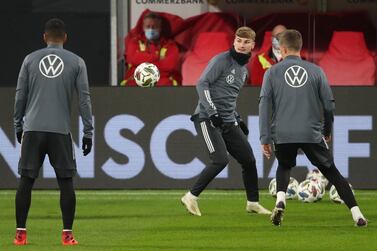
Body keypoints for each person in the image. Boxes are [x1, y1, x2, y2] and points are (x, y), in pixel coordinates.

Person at [258, 29, 367, 227]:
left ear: (281, 49)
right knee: (332, 173)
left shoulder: (271, 73)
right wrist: (326, 131)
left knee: (284, 165)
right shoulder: (316, 71)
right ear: (300, 48)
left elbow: (264, 105)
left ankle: (280, 200)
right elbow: (329, 106)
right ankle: (357, 214)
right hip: (311, 132)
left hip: (283, 132)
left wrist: (265, 137)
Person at [13, 18, 94, 245]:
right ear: (65, 38)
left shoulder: (30, 59)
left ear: (44, 37)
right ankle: (67, 235)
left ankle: (21, 234)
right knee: (65, 181)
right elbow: (84, 99)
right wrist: (88, 132)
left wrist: (18, 125)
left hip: (33, 129)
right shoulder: (77, 62)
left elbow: (20, 95)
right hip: (60, 131)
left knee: (26, 180)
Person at [181, 26, 271, 216]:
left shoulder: (244, 70)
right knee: (220, 159)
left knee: (249, 160)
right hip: (207, 118)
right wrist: (212, 113)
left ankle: (253, 203)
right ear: (234, 41)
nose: (241, 44)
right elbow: (202, 83)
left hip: (229, 121)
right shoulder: (221, 60)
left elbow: (228, 97)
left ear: (253, 45)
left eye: (246, 42)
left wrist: (237, 118)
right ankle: (191, 196)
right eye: (238, 40)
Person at [122, 12, 181, 86]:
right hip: (136, 79)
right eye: (148, 26)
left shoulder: (170, 45)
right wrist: (156, 58)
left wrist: (143, 62)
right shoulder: (134, 42)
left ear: (160, 28)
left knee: (167, 83)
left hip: (161, 80)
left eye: (154, 27)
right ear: (143, 27)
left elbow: (170, 66)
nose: (151, 29)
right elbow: (133, 58)